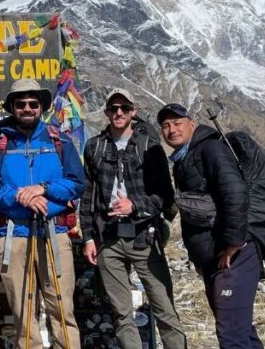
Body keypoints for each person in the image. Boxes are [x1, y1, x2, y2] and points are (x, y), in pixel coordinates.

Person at [0, 78, 84, 349]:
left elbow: (76, 183)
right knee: (24, 314)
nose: (27, 108)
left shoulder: (60, 141)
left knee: (62, 310)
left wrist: (43, 190)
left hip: (54, 233)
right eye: (20, 103)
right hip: (14, 235)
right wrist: (19, 196)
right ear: (12, 107)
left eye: (33, 103)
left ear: (41, 107)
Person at [80, 88, 186, 349]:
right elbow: (87, 196)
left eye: (124, 108)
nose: (119, 113)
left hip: (145, 237)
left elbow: (164, 195)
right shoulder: (94, 146)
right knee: (121, 313)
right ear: (106, 112)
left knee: (164, 307)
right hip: (108, 239)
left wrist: (134, 206)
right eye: (113, 108)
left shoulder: (149, 146)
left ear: (133, 112)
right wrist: (88, 237)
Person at [157, 103, 263, 349]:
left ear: (192, 124)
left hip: (234, 255)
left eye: (177, 122)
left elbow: (234, 192)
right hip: (215, 258)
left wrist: (233, 242)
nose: (172, 129)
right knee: (240, 330)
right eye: (165, 125)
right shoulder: (185, 158)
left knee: (231, 336)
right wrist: (201, 259)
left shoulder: (210, 149)